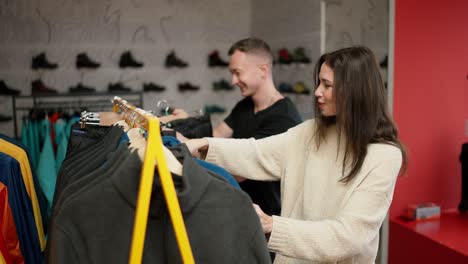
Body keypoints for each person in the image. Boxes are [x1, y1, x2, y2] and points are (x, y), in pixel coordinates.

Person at [184, 46, 407, 263]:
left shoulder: (384, 156)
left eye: (327, 85)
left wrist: (272, 225)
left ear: (354, 92)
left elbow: (350, 236)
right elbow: (257, 152)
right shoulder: (310, 131)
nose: (317, 92)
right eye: (319, 82)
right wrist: (200, 145)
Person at [170, 37, 302, 217]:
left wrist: (187, 143)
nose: (233, 81)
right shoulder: (245, 106)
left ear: (263, 70)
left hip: (264, 218)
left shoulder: (283, 118)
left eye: (238, 73)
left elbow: (242, 169)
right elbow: (217, 135)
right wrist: (186, 123)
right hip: (238, 206)